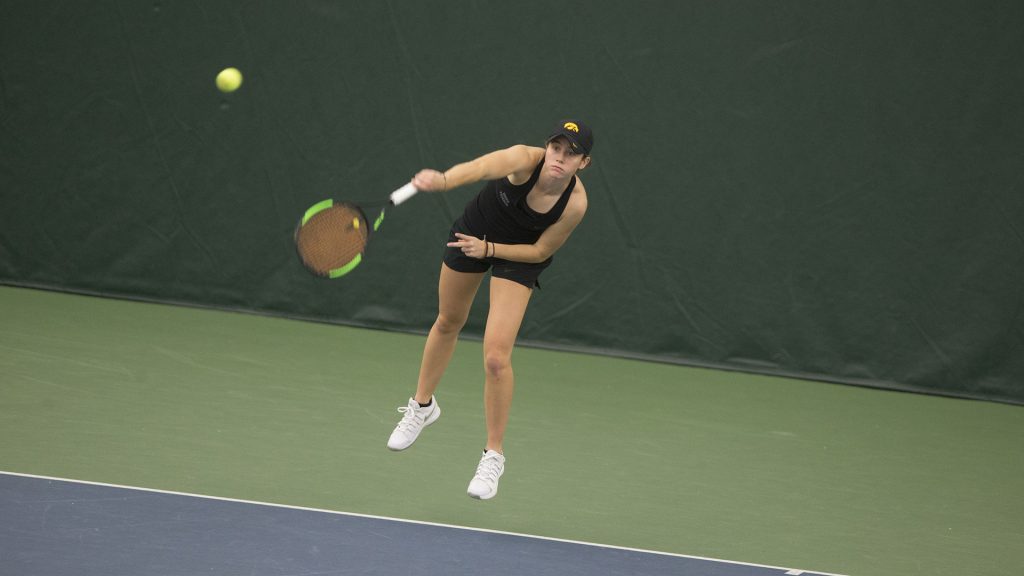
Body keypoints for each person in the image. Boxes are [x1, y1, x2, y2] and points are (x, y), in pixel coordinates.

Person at [386, 119, 594, 500]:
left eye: (571, 154)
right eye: (556, 148)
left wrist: (492, 251)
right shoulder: (522, 159)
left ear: (583, 163)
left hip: (519, 257)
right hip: (472, 233)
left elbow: (541, 251)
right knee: (448, 320)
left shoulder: (575, 204)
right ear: (547, 147)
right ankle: (422, 407)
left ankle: (493, 455)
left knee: (497, 358)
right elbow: (482, 166)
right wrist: (444, 180)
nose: (559, 159)